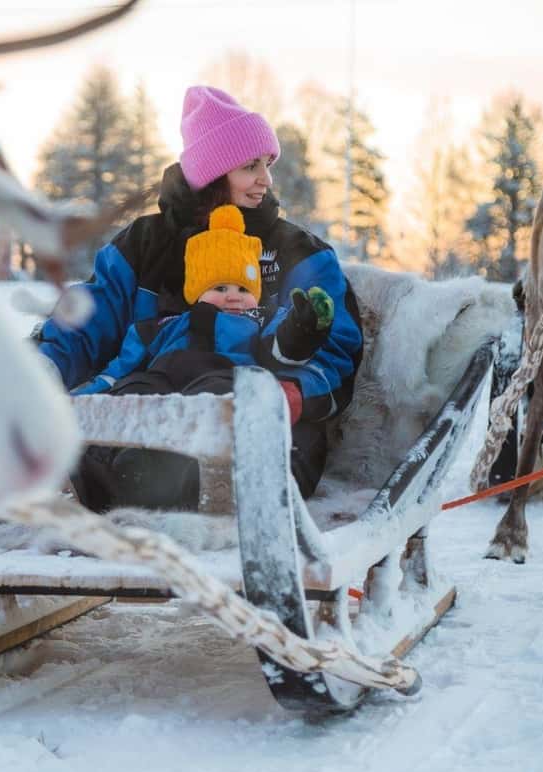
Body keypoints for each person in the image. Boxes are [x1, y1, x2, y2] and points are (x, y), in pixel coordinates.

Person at [35, 85, 363, 510]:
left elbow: (334, 344)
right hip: (152, 406)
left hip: (257, 420)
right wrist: (41, 376)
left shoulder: (297, 253)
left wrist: (291, 394)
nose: (265, 179)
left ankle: (201, 480)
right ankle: (111, 474)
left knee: (226, 407)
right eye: (250, 166)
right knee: (127, 402)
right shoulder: (145, 243)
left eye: (267, 165)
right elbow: (88, 320)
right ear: (212, 174)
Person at [71, 204, 335, 398]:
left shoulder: (261, 321)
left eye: (244, 289)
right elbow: (121, 367)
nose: (233, 296)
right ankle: (119, 460)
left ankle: (190, 460)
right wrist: (86, 398)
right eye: (220, 287)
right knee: (133, 390)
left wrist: (302, 329)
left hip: (223, 382)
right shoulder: (167, 325)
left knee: (218, 395)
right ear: (196, 293)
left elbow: (282, 350)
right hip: (161, 381)